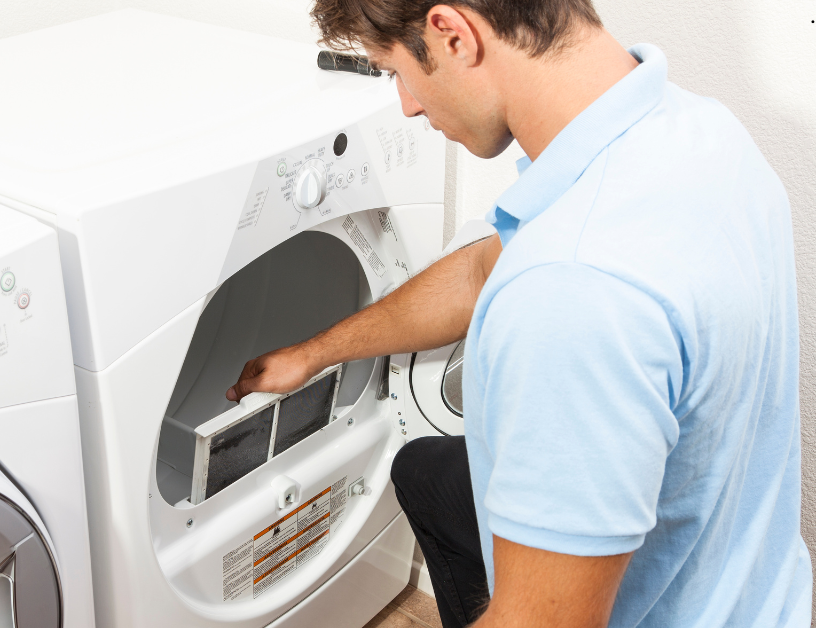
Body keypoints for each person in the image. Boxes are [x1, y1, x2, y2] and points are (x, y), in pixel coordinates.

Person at [225, 1, 811, 626]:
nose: (408, 106)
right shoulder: (699, 131)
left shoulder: (573, 295)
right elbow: (484, 270)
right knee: (424, 472)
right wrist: (315, 352)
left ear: (453, 35)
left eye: (394, 71)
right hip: (760, 596)